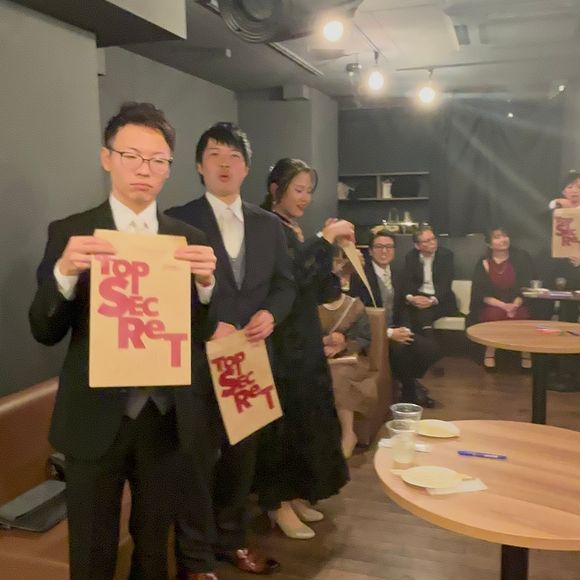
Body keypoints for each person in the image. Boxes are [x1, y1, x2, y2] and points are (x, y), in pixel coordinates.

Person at [29, 102, 218, 580]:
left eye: (157, 160)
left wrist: (205, 288)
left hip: (165, 418)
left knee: (153, 549)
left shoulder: (187, 238)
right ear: (107, 157)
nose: (144, 170)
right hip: (93, 419)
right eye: (131, 156)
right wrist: (64, 273)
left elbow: (199, 335)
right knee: (91, 552)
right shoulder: (72, 233)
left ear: (169, 168)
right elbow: (44, 330)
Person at [166, 123, 294, 578]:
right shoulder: (176, 222)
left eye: (234, 157)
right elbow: (166, 292)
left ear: (247, 168)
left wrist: (272, 314)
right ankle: (196, 558)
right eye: (215, 155)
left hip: (250, 359)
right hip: (197, 362)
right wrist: (205, 323)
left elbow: (285, 284)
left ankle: (232, 540)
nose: (225, 164)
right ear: (199, 166)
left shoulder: (269, 225)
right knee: (196, 462)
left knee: (242, 459)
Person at [255, 158, 351, 541]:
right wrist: (324, 240)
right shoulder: (265, 225)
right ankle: (275, 503)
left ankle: (294, 494)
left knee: (306, 419)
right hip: (280, 339)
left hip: (305, 336)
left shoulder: (296, 229)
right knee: (282, 422)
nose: (305, 198)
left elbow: (321, 291)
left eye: (309, 191)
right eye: (298, 189)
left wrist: (336, 260)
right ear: (275, 189)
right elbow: (291, 275)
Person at [349, 230, 441, 408]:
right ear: (370, 251)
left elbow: (402, 307)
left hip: (397, 328)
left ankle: (407, 382)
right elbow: (359, 315)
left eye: (389, 247)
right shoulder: (360, 277)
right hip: (373, 333)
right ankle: (409, 392)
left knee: (432, 349)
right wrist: (390, 333)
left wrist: (404, 329)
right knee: (401, 352)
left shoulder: (398, 273)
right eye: (379, 247)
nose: (384, 251)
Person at [318, 293, 378, 459]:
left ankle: (348, 434)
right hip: (316, 357)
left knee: (338, 376)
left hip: (351, 360)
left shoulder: (354, 306)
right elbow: (299, 336)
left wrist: (342, 345)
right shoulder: (308, 306)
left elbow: (364, 338)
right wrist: (325, 341)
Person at [467, 227, 533, 370]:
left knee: (522, 315)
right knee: (494, 315)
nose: (503, 240)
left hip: (518, 302)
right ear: (489, 244)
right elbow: (480, 293)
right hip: (493, 304)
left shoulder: (522, 258)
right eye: (497, 237)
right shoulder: (484, 263)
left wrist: (514, 305)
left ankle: (526, 353)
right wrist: (504, 306)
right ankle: (490, 352)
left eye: (505, 236)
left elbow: (526, 286)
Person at [402, 226, 457, 334]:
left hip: (440, 299)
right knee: (405, 312)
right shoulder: (411, 256)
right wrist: (411, 298)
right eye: (427, 241)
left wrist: (431, 301)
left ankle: (427, 339)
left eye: (433, 239)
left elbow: (445, 283)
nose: (433, 243)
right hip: (420, 296)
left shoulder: (446, 255)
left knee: (423, 313)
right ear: (417, 246)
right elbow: (407, 281)